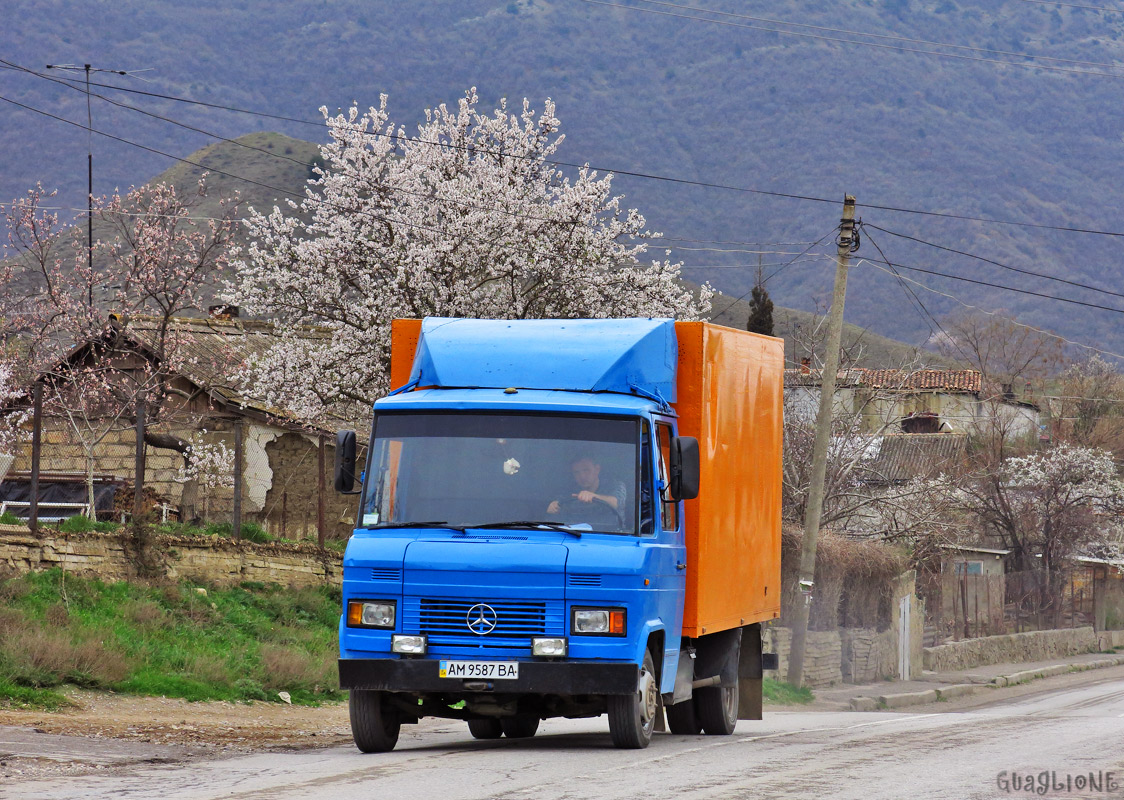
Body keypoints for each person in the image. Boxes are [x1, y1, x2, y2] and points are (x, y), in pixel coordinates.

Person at [546, 455, 626, 518]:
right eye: (577, 472)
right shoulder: (568, 490)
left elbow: (616, 503)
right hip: (574, 535)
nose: (582, 476)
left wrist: (594, 496)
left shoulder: (615, 485)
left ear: (597, 469)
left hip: (610, 535)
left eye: (586, 470)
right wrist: (553, 506)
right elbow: (557, 504)